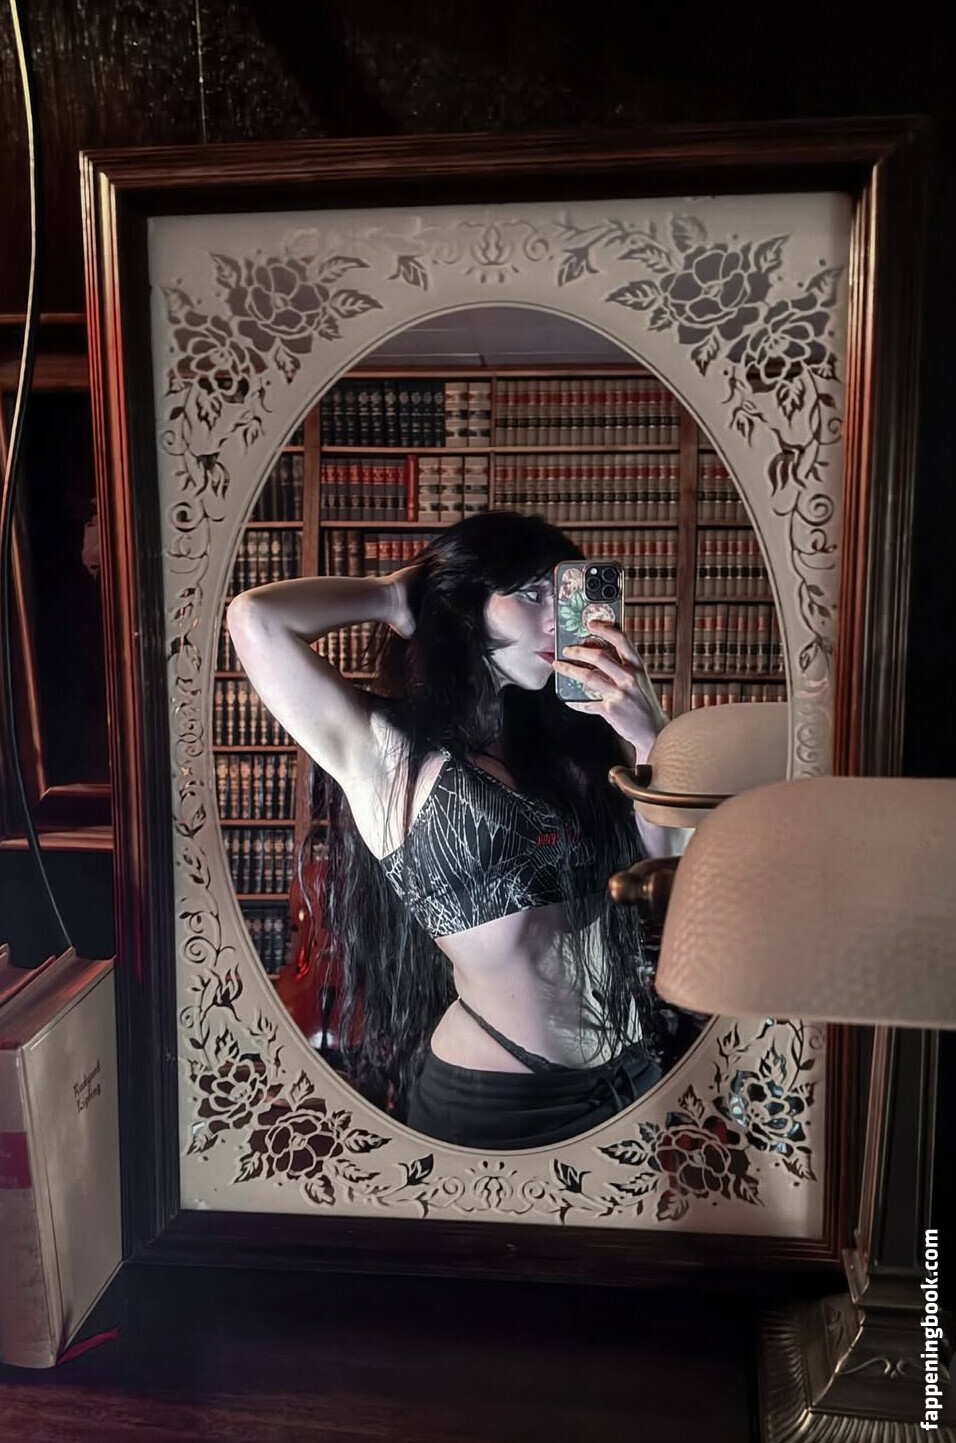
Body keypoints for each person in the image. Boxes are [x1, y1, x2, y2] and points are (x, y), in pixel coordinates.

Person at [227, 510, 699, 1149]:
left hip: (630, 1072)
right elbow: (255, 618)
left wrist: (651, 738)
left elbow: (669, 875)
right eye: (529, 594)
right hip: (498, 1099)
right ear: (468, 603)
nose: (554, 621)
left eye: (561, 597)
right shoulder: (388, 749)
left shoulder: (579, 747)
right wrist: (400, 596)